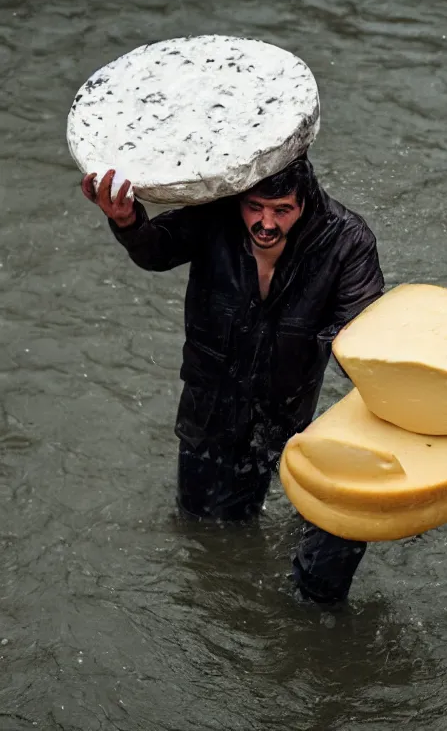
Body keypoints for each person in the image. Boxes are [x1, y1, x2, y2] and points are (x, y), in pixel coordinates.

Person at [81, 159, 383, 604]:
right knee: (202, 532)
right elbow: (156, 251)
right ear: (239, 199)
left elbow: (363, 332)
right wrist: (126, 218)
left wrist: (388, 389)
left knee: (316, 524)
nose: (265, 222)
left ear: (306, 201)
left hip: (287, 408)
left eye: (282, 210)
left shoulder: (346, 240)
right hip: (209, 402)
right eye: (255, 207)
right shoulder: (214, 212)